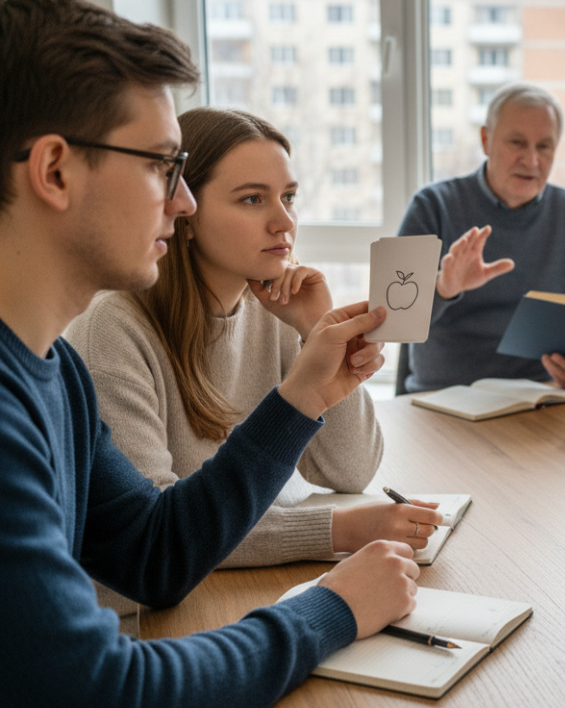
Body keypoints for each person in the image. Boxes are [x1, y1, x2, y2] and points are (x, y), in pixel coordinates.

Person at [0, 0, 421, 708]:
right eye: (163, 166)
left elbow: (155, 553)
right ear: (55, 171)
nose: (184, 202)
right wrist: (329, 612)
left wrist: (302, 400)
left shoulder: (53, 373)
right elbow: (102, 693)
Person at [65, 107, 441, 577]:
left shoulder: (278, 311)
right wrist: (338, 530)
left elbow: (350, 470)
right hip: (180, 605)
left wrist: (315, 329)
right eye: (251, 200)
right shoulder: (112, 330)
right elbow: (158, 535)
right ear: (185, 212)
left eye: (288, 197)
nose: (283, 222)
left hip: (267, 575)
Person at [397, 81, 565, 392]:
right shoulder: (432, 206)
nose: (531, 160)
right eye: (517, 142)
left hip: (540, 397)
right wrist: (445, 288)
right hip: (444, 398)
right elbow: (392, 321)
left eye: (544, 146)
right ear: (486, 140)